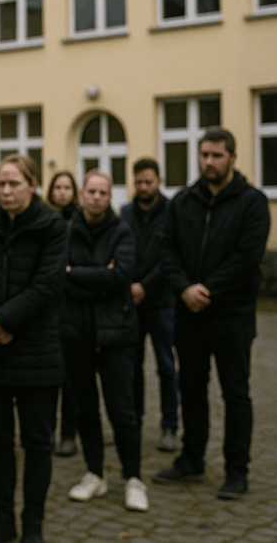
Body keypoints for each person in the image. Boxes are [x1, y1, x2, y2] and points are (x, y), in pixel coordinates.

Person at [154, 127, 271, 499]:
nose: (208, 162)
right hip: (189, 314)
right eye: (204, 154)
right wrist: (184, 287)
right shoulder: (183, 200)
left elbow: (247, 258)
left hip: (232, 315)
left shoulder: (252, 201)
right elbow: (166, 250)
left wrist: (208, 289)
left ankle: (237, 471)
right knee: (191, 386)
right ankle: (192, 459)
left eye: (216, 155)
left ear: (232, 158)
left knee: (236, 393)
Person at [0, 155, 68, 543]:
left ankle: (33, 523)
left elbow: (48, 286)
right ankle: (1, 519)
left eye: (14, 184)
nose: (5, 191)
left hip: (37, 351)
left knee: (38, 442)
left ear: (32, 185)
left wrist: (3, 321)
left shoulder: (53, 228)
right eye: (0, 184)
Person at [60, 171, 148, 513]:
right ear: (81, 194)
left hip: (116, 335)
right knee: (85, 408)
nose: (96, 197)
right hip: (75, 332)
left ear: (110, 196)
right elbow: (58, 276)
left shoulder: (122, 230)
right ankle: (95, 473)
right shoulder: (66, 231)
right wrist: (98, 275)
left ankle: (133, 479)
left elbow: (121, 276)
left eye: (103, 192)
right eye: (91, 191)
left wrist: (75, 273)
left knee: (121, 409)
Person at [120, 158, 179, 453]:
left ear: (159, 180)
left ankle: (170, 426)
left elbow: (170, 256)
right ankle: (134, 422)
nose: (143, 187)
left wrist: (146, 285)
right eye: (139, 182)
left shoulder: (172, 212)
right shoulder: (125, 213)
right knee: (132, 366)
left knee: (167, 366)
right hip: (132, 302)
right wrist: (130, 284)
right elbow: (122, 251)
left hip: (162, 302)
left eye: (149, 181)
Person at [44, 170, 80, 458]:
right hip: (46, 306)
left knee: (69, 376)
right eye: (58, 187)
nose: (63, 192)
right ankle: (45, 431)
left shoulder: (80, 221)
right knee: (46, 378)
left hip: (72, 305)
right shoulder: (43, 220)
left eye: (67, 187)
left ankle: (69, 433)